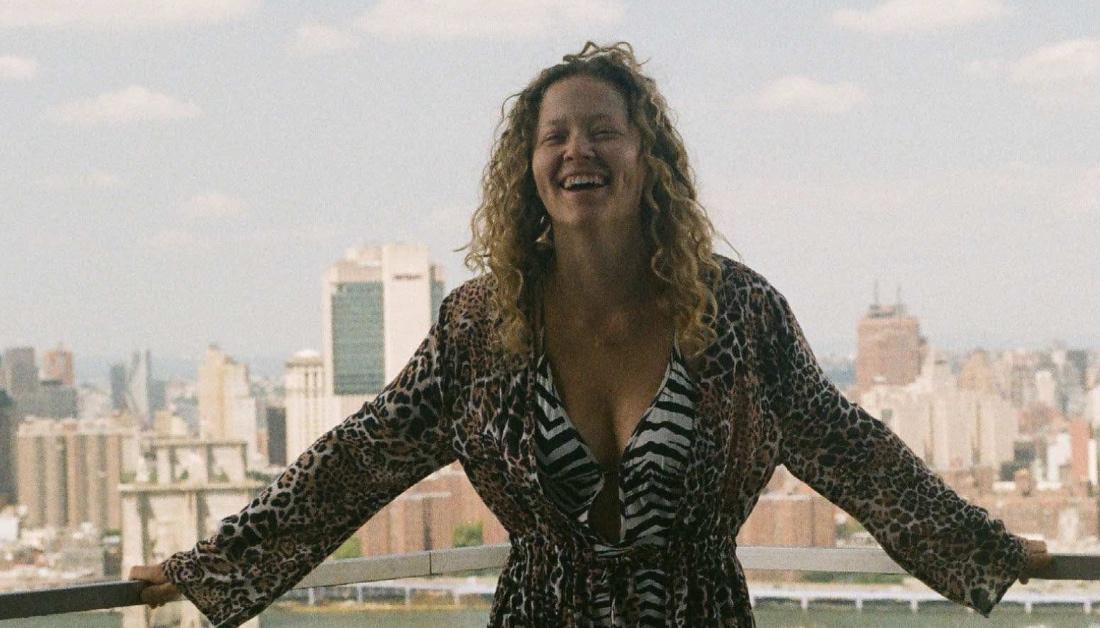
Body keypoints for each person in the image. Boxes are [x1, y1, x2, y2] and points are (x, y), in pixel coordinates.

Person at [131, 41, 1052, 626]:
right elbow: (360, 457)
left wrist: (986, 549)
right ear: (527, 167)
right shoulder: (480, 328)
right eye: (554, 136)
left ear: (647, 157)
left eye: (602, 132)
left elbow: (854, 453)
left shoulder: (739, 314)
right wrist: (214, 568)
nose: (578, 152)